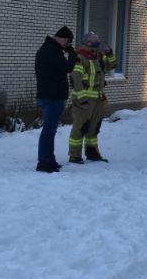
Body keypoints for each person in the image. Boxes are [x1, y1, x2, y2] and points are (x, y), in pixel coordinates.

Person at [34, 26, 77, 173]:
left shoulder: (50, 49)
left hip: (51, 95)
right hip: (52, 96)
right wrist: (72, 55)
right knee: (48, 130)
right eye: (68, 43)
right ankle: (43, 163)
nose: (67, 46)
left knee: (51, 130)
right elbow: (67, 68)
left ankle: (49, 160)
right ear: (63, 39)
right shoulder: (51, 50)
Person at [68, 32, 116, 164]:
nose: (98, 42)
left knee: (93, 127)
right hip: (84, 100)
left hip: (97, 99)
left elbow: (112, 65)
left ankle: (92, 153)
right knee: (80, 127)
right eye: (95, 40)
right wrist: (82, 98)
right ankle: (74, 156)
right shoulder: (80, 57)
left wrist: (109, 53)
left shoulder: (98, 56)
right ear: (88, 42)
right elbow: (76, 78)